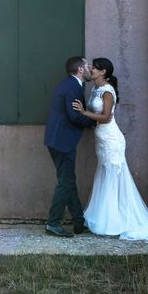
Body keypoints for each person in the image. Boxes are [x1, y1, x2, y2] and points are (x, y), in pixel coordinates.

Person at [73, 58, 148, 241]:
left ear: (103, 72)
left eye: (94, 68)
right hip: (101, 140)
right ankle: (106, 219)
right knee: (106, 175)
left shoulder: (107, 91)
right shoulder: (95, 89)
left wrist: (84, 113)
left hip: (112, 139)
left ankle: (115, 222)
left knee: (113, 177)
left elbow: (106, 117)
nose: (90, 69)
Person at [44, 56, 97, 237]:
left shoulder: (71, 85)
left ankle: (78, 222)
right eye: (87, 65)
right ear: (80, 70)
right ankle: (53, 223)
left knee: (68, 181)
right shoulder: (72, 88)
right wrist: (97, 121)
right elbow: (75, 116)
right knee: (65, 182)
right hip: (62, 141)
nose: (90, 68)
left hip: (59, 139)